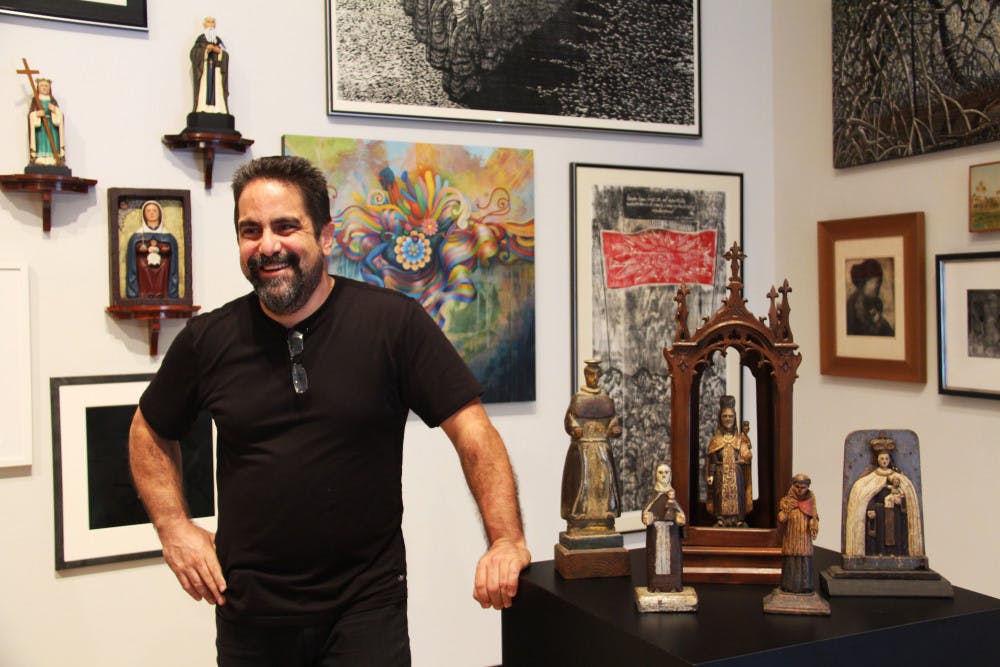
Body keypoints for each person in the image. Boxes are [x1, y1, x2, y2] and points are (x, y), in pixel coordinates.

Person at [128, 155, 531, 666]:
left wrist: (506, 540)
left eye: (285, 226)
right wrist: (174, 529)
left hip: (365, 611)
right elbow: (148, 431)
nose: (267, 245)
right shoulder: (209, 340)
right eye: (250, 230)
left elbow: (473, 431)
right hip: (250, 616)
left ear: (326, 236)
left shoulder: (393, 324)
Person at [560, 359, 622, 537]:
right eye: (590, 374)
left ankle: (603, 519)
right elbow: (569, 419)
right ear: (586, 376)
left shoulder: (605, 399)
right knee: (584, 483)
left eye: (596, 375)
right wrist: (575, 428)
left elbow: (613, 421)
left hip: (602, 446)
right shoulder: (578, 399)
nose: (594, 378)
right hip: (583, 448)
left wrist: (613, 428)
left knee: (603, 482)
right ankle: (580, 520)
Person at [844, 433, 923, 560]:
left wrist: (901, 501)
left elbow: (907, 499)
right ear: (877, 460)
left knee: (895, 535)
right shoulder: (869, 480)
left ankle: (896, 554)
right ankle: (878, 553)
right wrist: (870, 509)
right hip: (879, 513)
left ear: (890, 459)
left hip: (895, 515)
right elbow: (866, 496)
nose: (884, 461)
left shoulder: (900, 479)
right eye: (882, 459)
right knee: (880, 535)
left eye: (886, 459)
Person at [704, 395, 752, 527]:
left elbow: (746, 455)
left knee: (737, 494)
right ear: (720, 417)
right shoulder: (716, 440)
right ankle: (721, 518)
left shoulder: (740, 439)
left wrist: (746, 453)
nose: (727, 419)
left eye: (730, 416)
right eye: (725, 416)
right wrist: (711, 475)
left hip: (736, 473)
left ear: (735, 417)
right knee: (720, 494)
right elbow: (712, 459)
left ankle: (738, 518)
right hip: (720, 472)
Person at [641, 464, 686, 593]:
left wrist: (680, 518)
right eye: (660, 472)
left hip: (671, 534)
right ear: (656, 475)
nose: (664, 475)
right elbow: (647, 510)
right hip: (657, 534)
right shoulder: (656, 496)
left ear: (670, 475)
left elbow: (680, 515)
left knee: (673, 559)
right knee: (656, 560)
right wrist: (647, 517)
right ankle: (656, 585)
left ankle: (673, 585)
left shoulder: (672, 497)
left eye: (666, 472)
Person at [125, 200, 179, 299]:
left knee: (164, 264)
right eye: (148, 211)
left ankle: (161, 293)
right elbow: (134, 250)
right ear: (144, 215)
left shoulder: (167, 235)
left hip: (163, 262)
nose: (151, 213)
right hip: (143, 263)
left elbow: (172, 250)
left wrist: (162, 249)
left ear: (160, 213)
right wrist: (144, 249)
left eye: (154, 211)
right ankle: (145, 293)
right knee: (142, 264)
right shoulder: (138, 234)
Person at [776, 474, 819, 593]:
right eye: (797, 486)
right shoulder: (786, 501)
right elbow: (781, 517)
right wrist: (783, 515)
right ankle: (788, 586)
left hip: (804, 537)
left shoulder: (811, 501)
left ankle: (805, 587)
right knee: (790, 561)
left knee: (804, 561)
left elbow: (814, 516)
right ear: (792, 485)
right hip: (791, 536)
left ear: (808, 487)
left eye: (803, 487)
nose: (800, 490)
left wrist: (812, 523)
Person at [845, 258, 894, 337]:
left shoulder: (876, 303)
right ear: (863, 283)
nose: (877, 286)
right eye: (872, 282)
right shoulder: (852, 305)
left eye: (879, 282)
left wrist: (880, 322)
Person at [191, 16, 229, 114]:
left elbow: (225, 55)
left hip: (216, 71)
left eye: (213, 22)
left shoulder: (218, 41)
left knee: (218, 91)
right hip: (205, 71)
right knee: (204, 90)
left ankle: (219, 109)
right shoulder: (200, 40)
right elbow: (193, 54)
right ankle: (203, 108)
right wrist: (205, 50)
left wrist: (219, 52)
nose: (211, 25)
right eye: (208, 22)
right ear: (204, 25)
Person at [27, 78, 65, 166]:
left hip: (51, 125)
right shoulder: (36, 100)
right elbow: (31, 115)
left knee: (52, 140)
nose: (44, 88)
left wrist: (55, 110)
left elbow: (60, 116)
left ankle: (53, 157)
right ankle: (40, 157)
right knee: (41, 140)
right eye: (42, 86)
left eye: (46, 86)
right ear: (38, 87)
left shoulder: (52, 100)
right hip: (41, 127)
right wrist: (36, 114)